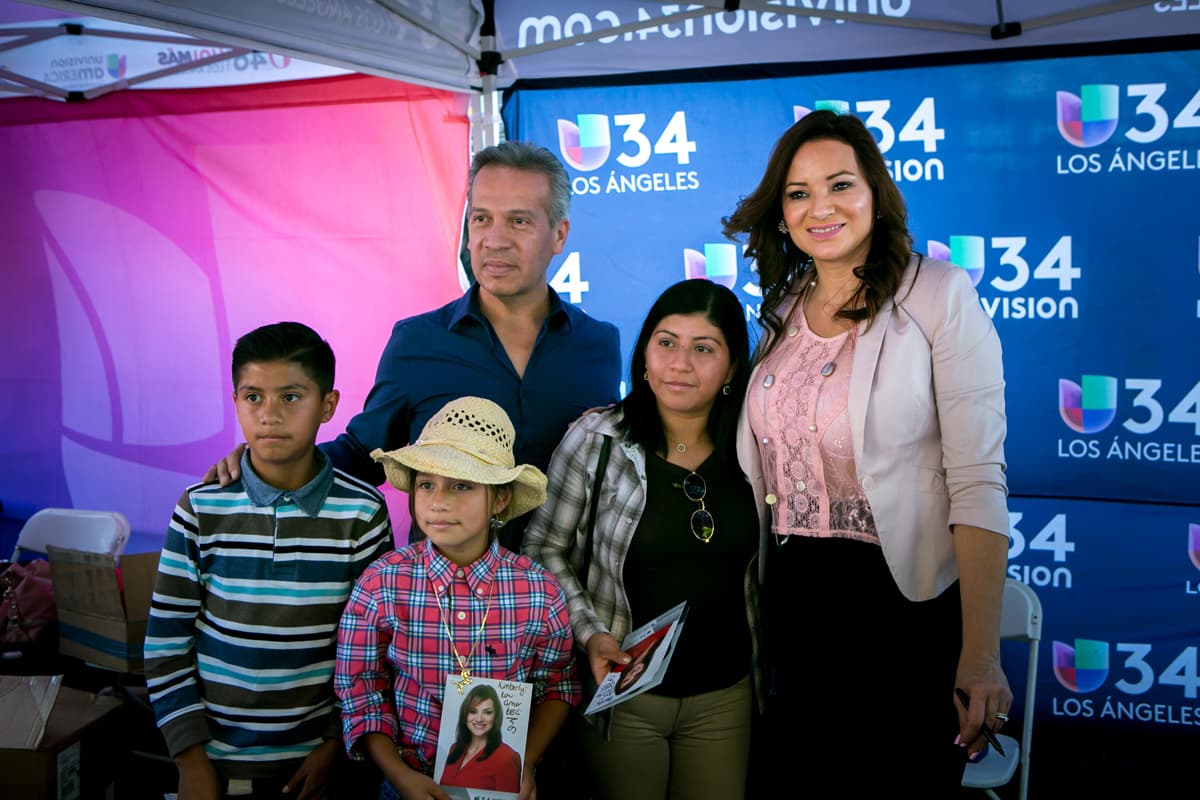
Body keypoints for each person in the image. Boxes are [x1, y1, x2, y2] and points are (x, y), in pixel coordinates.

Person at [721, 109, 1012, 796]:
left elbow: (977, 480)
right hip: (792, 604)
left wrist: (979, 655)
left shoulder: (937, 294)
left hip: (901, 608)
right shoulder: (783, 305)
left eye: (840, 185)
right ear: (781, 210)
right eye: (798, 193)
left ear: (876, 196)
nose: (819, 207)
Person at [209, 141, 622, 552]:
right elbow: (360, 456)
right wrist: (266, 464)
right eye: (481, 219)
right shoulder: (418, 341)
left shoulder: (598, 345)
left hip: (567, 600)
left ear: (559, 234)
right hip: (440, 604)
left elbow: (618, 469)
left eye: (518, 221)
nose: (494, 240)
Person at [523, 278, 759, 800]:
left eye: (704, 349)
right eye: (666, 342)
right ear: (645, 353)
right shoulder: (598, 438)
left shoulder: (758, 449)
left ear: (733, 367)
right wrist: (590, 634)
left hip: (727, 693)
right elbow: (543, 549)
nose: (679, 363)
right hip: (626, 695)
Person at [144, 321, 394, 800]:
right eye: (252, 397)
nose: (270, 414)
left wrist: (336, 745)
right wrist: (190, 761)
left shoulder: (361, 513)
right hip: (215, 767)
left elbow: (371, 650)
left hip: (321, 770)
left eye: (291, 397)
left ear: (328, 405)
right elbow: (165, 645)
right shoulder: (201, 507)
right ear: (235, 400)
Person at [334, 396, 578, 800]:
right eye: (426, 483)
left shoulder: (538, 592)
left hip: (502, 786)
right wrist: (399, 776)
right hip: (406, 780)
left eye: (461, 485)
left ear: (500, 499)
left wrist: (524, 764)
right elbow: (361, 689)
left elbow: (558, 686)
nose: (439, 500)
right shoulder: (382, 583)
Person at [438, 684, 522, 793]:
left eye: (487, 712)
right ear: (465, 715)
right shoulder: (454, 749)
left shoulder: (507, 757)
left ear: (496, 717)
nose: (479, 719)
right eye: (473, 711)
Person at [611, 630, 668, 696]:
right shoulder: (659, 654)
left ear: (622, 677)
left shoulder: (626, 656)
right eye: (634, 680)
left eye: (626, 680)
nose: (634, 674)